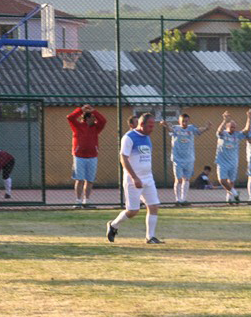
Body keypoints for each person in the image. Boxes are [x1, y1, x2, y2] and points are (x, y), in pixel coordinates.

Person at [106, 113, 163, 244]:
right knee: (132, 211)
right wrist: (135, 177)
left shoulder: (147, 137)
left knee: (154, 206)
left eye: (153, 125)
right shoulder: (129, 137)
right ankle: (113, 225)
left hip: (148, 178)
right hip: (133, 180)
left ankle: (150, 237)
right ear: (141, 124)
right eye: (150, 126)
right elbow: (123, 158)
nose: (152, 128)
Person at [161, 112, 209, 206]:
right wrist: (166, 125)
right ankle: (177, 200)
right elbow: (170, 130)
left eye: (186, 121)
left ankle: (183, 199)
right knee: (178, 179)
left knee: (186, 179)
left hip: (189, 159)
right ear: (179, 121)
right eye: (183, 121)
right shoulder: (176, 128)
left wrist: (206, 128)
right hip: (177, 158)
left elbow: (199, 130)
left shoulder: (191, 128)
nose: (185, 123)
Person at [66, 104, 106, 208]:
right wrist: (81, 110)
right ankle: (78, 201)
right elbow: (70, 117)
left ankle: (86, 201)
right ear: (87, 118)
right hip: (79, 156)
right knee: (79, 179)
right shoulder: (77, 126)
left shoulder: (96, 128)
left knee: (90, 180)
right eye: (93, 117)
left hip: (92, 156)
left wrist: (94, 111)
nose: (95, 119)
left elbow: (103, 121)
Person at [215, 112, 243, 205]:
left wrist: (248, 117)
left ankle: (229, 199)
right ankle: (235, 194)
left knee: (231, 181)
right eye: (231, 127)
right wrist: (224, 120)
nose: (233, 129)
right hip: (222, 161)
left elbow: (246, 131)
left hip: (233, 161)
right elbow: (219, 131)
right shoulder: (223, 134)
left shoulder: (237, 135)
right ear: (227, 128)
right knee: (222, 180)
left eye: (234, 127)